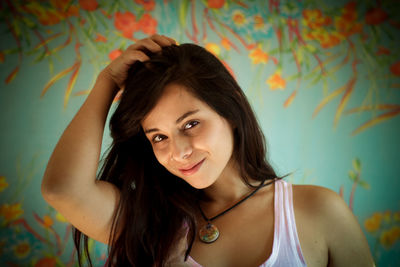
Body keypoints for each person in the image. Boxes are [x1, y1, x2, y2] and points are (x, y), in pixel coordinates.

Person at [41, 34, 374, 267]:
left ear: (229, 113)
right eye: (158, 137)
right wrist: (107, 81)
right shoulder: (151, 218)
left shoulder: (319, 211)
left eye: (190, 125)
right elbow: (63, 189)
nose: (179, 151)